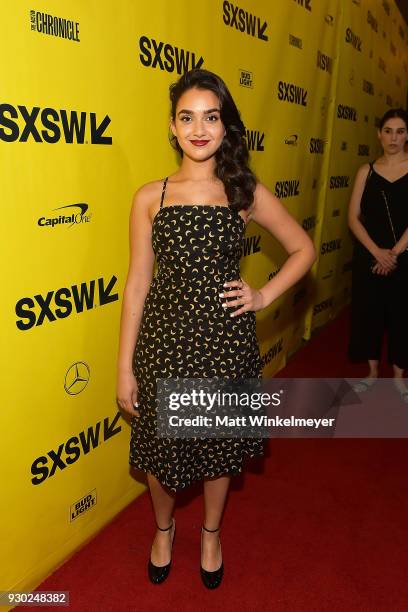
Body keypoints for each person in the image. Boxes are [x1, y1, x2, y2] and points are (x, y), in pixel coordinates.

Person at [116, 68, 315, 589]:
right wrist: (123, 367)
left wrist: (263, 295)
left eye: (211, 116)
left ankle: (209, 532)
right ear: (171, 127)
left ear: (226, 127)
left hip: (224, 344)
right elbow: (137, 284)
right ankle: (163, 529)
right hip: (163, 343)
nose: (199, 128)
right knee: (160, 451)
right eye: (187, 117)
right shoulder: (149, 198)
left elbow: (303, 249)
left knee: (217, 447)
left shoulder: (243, 192)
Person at [348, 108, 408, 399]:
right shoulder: (366, 171)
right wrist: (377, 252)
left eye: (400, 131)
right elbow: (352, 217)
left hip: (405, 256)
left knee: (402, 315)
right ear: (379, 134)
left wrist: (394, 253)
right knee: (368, 314)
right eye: (388, 131)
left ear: (407, 135)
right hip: (370, 256)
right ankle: (373, 372)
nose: (393, 137)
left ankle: (399, 377)